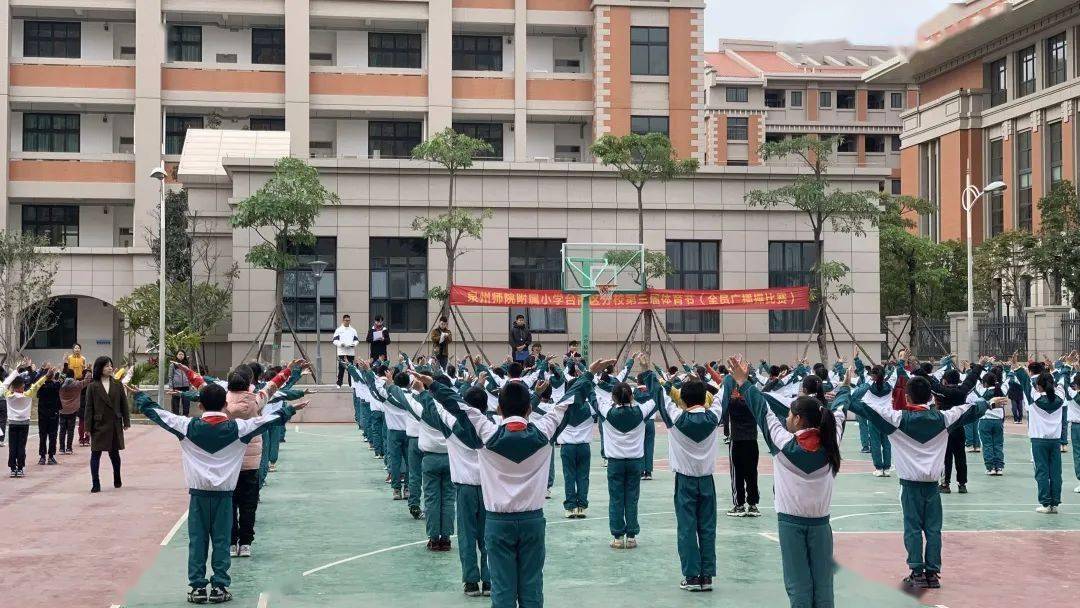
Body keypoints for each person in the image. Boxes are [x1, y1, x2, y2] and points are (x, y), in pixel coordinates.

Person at [431, 358, 596, 608]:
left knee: (502, 590)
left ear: (498, 410)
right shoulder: (543, 433)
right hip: (532, 520)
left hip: (498, 522)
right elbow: (567, 403)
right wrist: (588, 376)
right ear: (529, 410)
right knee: (531, 587)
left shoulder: (487, 434)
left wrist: (433, 385)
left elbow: (460, 406)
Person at [127, 379, 308, 604]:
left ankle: (197, 588)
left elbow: (159, 414)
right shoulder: (238, 429)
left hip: (198, 496)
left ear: (200, 406)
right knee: (222, 541)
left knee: (197, 541)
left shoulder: (187, 426)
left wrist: (141, 397)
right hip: (224, 497)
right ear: (225, 405)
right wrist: (289, 409)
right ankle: (220, 586)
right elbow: (266, 421)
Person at [848, 372, 1004, 590]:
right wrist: (988, 402)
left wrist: (846, 389)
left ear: (908, 398)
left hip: (910, 485)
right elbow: (969, 411)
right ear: (931, 397)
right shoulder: (943, 419)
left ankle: (917, 571)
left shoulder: (896, 419)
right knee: (933, 529)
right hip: (932, 486)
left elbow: (862, 408)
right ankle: (932, 572)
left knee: (912, 528)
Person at [732, 356, 845, 608]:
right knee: (823, 585)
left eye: (791, 415)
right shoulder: (831, 442)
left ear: (798, 420)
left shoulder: (783, 444)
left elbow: (761, 409)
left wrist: (743, 381)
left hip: (791, 524)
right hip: (821, 525)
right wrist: (845, 388)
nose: (787, 419)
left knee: (798, 586)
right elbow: (840, 409)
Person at [645, 362, 725, 592]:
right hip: (707, 481)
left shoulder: (676, 418)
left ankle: (691, 577)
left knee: (687, 528)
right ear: (704, 397)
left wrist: (647, 370)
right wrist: (728, 379)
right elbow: (723, 396)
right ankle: (707, 576)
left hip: (685, 481)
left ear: (683, 399)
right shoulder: (713, 418)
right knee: (708, 527)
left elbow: (660, 396)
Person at [591, 354, 657, 549]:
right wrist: (645, 369)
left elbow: (590, 394)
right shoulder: (641, 411)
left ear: (613, 397)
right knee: (632, 499)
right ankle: (632, 536)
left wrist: (590, 372)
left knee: (616, 499)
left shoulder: (607, 412)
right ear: (632, 396)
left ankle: (617, 536)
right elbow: (657, 396)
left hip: (615, 462)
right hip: (635, 462)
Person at [85, 356, 130, 493]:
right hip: (99, 424)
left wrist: (126, 421)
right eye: (106, 366)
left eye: (111, 365)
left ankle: (117, 477)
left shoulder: (117, 384)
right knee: (95, 454)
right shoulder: (93, 386)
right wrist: (87, 427)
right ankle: (95, 483)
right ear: (99, 368)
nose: (110, 368)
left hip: (114, 423)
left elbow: (124, 404)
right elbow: (89, 408)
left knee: (114, 453)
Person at [4, 363, 49, 477]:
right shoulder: (28, 395)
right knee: (21, 447)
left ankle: (13, 469)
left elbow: (4, 385)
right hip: (24, 424)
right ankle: (20, 468)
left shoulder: (9, 395)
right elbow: (37, 385)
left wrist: (16, 371)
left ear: (13, 387)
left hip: (13, 423)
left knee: (12, 447)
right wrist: (46, 376)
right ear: (22, 386)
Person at [58, 369, 91, 455]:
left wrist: (62, 369)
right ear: (73, 376)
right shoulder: (77, 384)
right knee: (70, 430)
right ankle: (69, 448)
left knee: (62, 430)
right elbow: (87, 381)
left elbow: (55, 378)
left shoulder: (60, 385)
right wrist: (88, 372)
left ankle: (61, 448)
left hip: (62, 410)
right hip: (73, 410)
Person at [36, 369, 64, 465]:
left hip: (42, 414)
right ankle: (51, 457)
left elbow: (36, 383)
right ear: (53, 377)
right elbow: (63, 378)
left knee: (42, 435)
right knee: (53, 435)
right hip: (53, 414)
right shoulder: (56, 385)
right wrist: (65, 364)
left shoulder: (40, 386)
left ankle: (42, 457)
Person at [333, 315, 360, 387]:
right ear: (343, 320)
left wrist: (353, 344)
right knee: (341, 369)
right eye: (346, 320)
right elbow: (335, 340)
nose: (347, 322)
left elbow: (356, 340)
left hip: (350, 352)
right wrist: (340, 344)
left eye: (348, 320)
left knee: (350, 369)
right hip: (342, 352)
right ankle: (339, 384)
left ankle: (351, 384)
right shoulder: (339, 330)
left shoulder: (353, 330)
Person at [169, 350, 193, 416]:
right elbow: (170, 377)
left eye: (182, 354)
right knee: (175, 404)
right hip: (176, 387)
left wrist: (190, 385)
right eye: (179, 354)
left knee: (186, 403)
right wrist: (171, 387)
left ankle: (185, 416)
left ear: (184, 356)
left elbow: (190, 375)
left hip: (186, 387)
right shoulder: (173, 365)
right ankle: (175, 416)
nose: (181, 356)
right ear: (176, 355)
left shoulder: (187, 365)